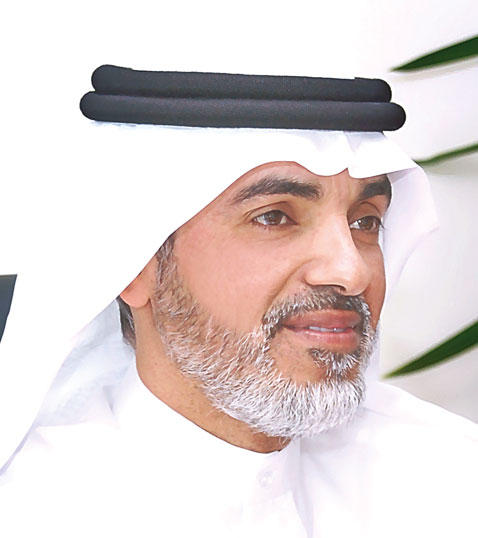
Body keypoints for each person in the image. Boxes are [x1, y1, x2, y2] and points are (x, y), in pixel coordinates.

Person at [0, 67, 476, 538]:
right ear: (135, 266)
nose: (351, 272)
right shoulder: (31, 510)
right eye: (273, 217)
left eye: (365, 222)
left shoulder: (448, 475)